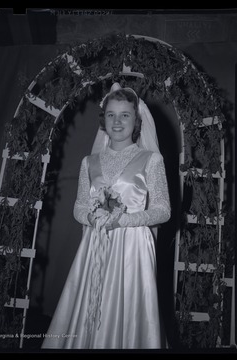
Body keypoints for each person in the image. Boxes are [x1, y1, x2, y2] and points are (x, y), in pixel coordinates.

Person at [41, 82, 171, 349]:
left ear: (137, 120)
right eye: (111, 114)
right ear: (103, 119)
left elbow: (163, 210)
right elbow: (78, 207)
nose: (118, 121)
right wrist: (92, 218)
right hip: (95, 245)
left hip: (133, 249)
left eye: (125, 115)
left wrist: (124, 220)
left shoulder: (151, 160)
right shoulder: (89, 162)